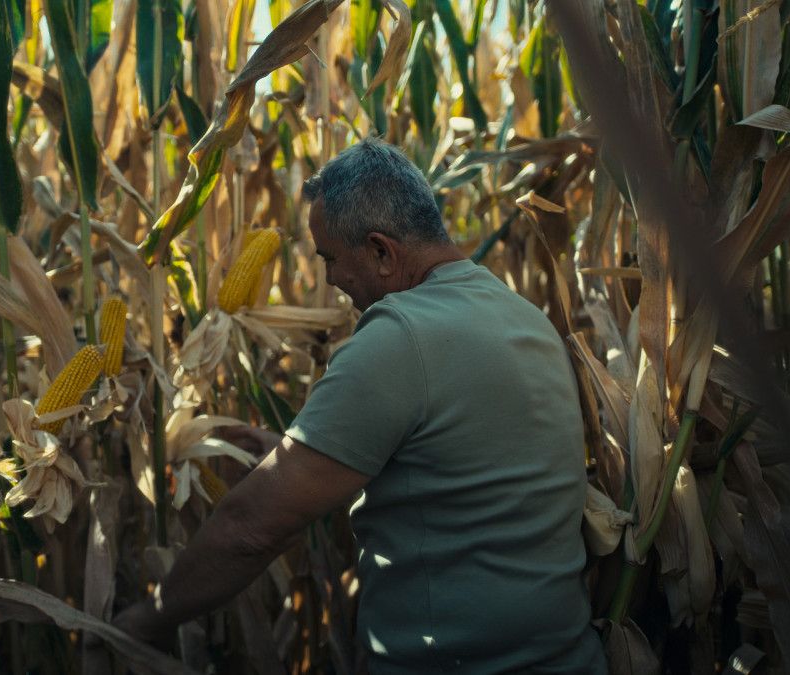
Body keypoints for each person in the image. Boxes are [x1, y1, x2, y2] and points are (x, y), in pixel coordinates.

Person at [112, 138, 606, 673]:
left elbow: (250, 529)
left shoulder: (398, 338)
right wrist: (305, 452)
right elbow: (469, 471)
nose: (329, 280)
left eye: (329, 259)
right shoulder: (523, 317)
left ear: (381, 252)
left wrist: (141, 623)